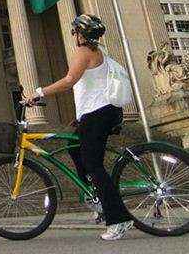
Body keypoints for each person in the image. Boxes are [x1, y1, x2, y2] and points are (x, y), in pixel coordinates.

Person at [25, 14, 133, 240]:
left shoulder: (83, 53)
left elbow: (69, 80)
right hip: (99, 113)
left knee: (94, 166)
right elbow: (91, 88)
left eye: (75, 31)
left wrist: (38, 93)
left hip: (99, 114)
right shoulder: (98, 52)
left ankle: (118, 219)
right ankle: (94, 197)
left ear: (81, 34)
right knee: (73, 147)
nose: (73, 35)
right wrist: (80, 118)